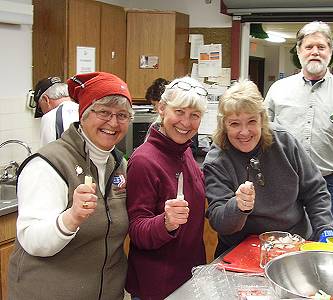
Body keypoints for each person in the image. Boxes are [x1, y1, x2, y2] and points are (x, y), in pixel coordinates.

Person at [8, 72, 133, 300]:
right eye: (104, 112)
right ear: (83, 114)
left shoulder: (119, 164)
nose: (113, 123)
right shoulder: (48, 164)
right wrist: (71, 218)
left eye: (122, 115)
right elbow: (32, 240)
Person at [203, 79, 333, 257]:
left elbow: (315, 191)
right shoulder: (217, 160)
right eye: (234, 124)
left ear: (262, 120)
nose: (244, 132)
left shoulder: (284, 142)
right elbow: (219, 222)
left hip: (293, 243)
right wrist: (238, 206)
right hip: (239, 250)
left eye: (251, 121)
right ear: (224, 125)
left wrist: (323, 233)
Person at [265, 21, 333, 230]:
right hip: (283, 185)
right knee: (282, 246)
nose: (315, 52)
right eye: (309, 47)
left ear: (330, 52)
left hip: (329, 186)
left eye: (321, 47)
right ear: (298, 51)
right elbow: (259, 139)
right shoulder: (278, 90)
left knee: (325, 248)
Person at [126, 76, 208, 299]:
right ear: (162, 109)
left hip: (189, 278)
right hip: (156, 286)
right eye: (179, 112)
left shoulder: (185, 151)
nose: (186, 122)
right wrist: (166, 222)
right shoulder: (144, 160)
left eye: (195, 116)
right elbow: (136, 229)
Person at [33, 76, 79, 146]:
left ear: (46, 100)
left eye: (40, 107)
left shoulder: (50, 117)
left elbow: (47, 153)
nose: (42, 112)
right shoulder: (83, 109)